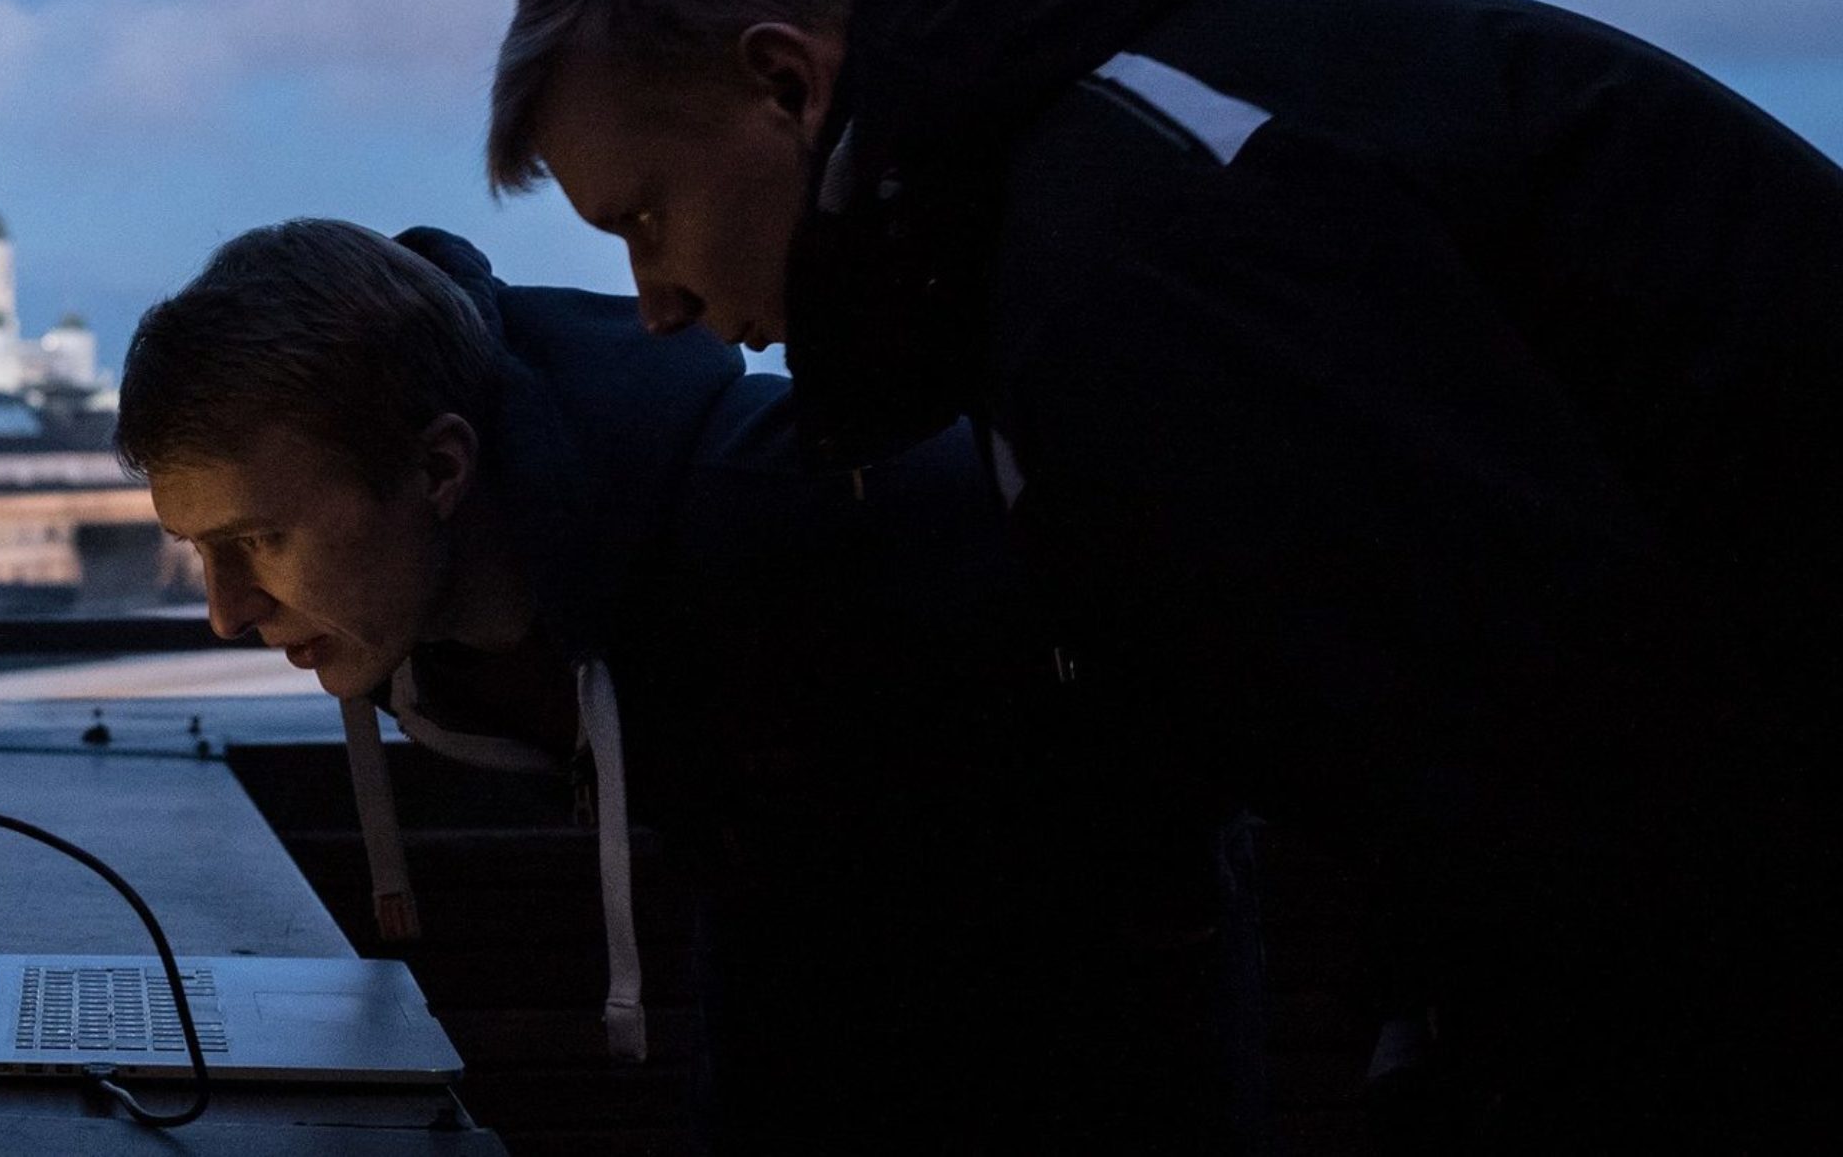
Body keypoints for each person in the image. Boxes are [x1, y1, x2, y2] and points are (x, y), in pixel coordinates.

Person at [487, 0, 1843, 1150]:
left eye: (645, 214)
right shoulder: (1079, 191)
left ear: (786, 84)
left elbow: (1576, 799)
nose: (650, 302)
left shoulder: (1130, 250)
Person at [116, 219, 1264, 1150]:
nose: (225, 610)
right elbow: (775, 936)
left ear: (439, 468)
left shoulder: (810, 519)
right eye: (201, 553)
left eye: (259, 540)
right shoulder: (469, 619)